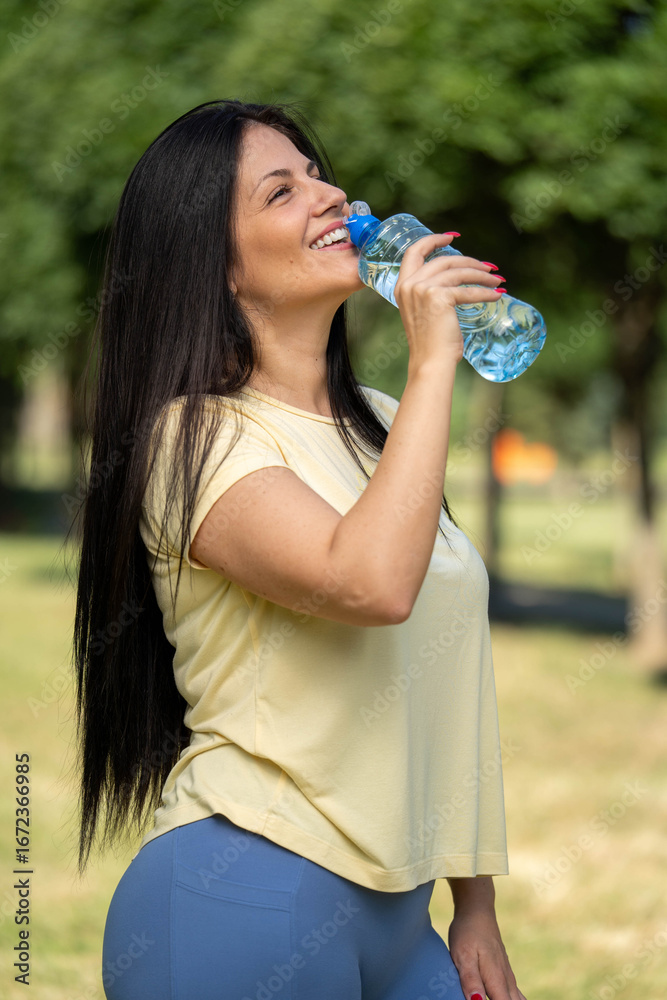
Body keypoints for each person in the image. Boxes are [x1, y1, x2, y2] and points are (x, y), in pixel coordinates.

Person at [69, 98, 526, 1000]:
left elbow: (441, 671)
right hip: (240, 893)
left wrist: (473, 903)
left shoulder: (386, 424)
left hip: (406, 920)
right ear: (217, 268)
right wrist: (435, 358)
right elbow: (369, 585)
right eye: (281, 192)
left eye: (317, 175)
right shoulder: (193, 439)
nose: (329, 196)